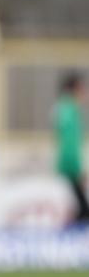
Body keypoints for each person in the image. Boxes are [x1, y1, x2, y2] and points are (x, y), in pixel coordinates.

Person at [53, 72, 88, 229]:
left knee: (78, 209)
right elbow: (69, 145)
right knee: (82, 210)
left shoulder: (63, 109)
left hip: (67, 167)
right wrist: (77, 170)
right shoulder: (69, 111)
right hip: (69, 168)